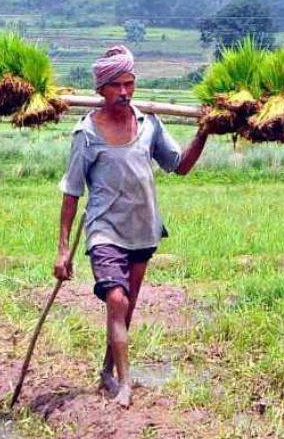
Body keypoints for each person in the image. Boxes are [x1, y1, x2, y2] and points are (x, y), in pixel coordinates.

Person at [54, 45, 209, 407]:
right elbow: (72, 192)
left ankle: (108, 370)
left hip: (143, 228)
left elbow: (179, 166)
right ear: (101, 90)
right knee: (116, 298)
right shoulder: (86, 134)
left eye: (129, 84)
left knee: (127, 307)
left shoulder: (149, 123)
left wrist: (204, 133)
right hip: (104, 230)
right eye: (116, 86)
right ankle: (125, 383)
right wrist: (63, 249)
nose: (124, 92)